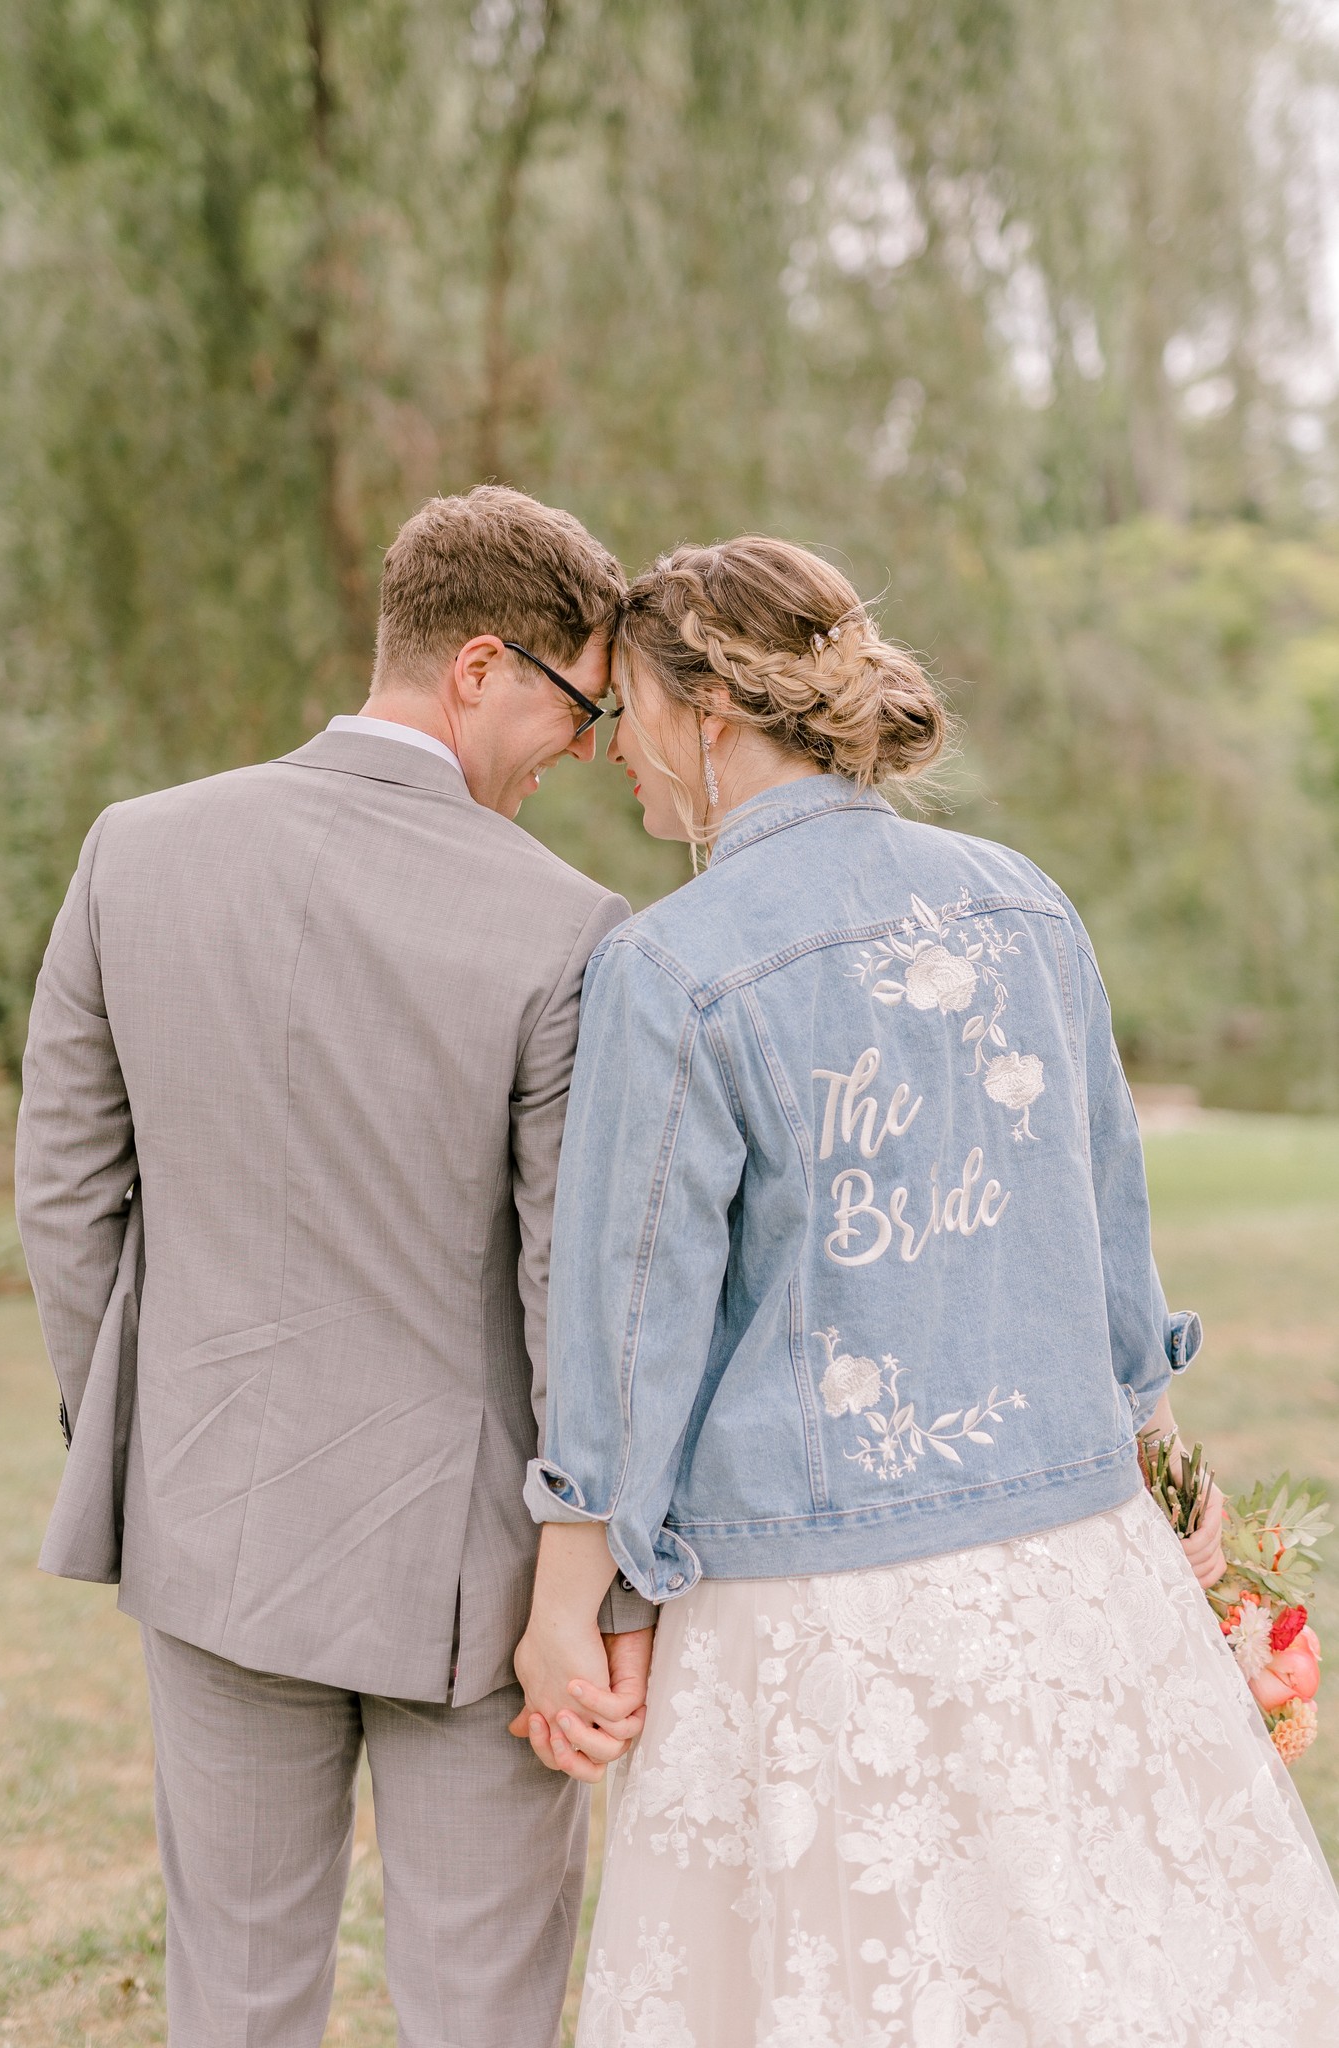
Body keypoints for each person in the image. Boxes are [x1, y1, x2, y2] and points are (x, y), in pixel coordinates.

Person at [513, 537, 1339, 2044]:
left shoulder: (672, 966)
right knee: (1088, 1958)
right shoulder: (1021, 903)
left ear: (708, 716)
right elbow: (1105, 1226)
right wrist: (1157, 1453)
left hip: (813, 1601)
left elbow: (632, 1322)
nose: (614, 753)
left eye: (624, 711)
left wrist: (571, 1597)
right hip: (1069, 1547)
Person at [15, 484, 652, 2048]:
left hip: (208, 1518)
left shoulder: (134, 851)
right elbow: (577, 1289)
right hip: (477, 1575)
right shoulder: (570, 930)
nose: (582, 753)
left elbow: (66, 1194)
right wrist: (597, 1574)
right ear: (480, 667)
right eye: (577, 707)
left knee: (229, 1996)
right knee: (479, 2005)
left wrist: (153, 1435)